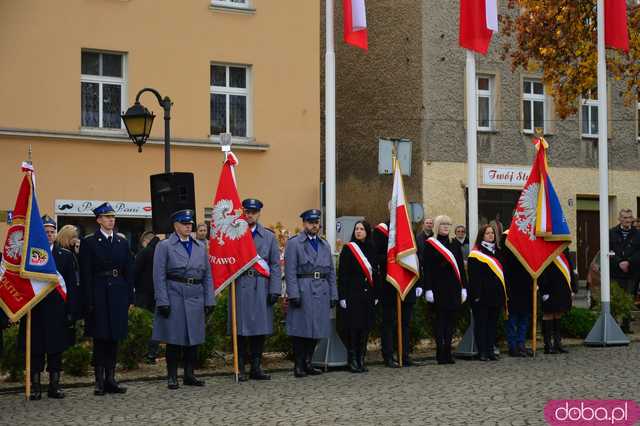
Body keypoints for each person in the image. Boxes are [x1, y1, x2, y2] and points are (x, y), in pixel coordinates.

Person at [152, 209, 215, 390]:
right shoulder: (164, 246)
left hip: (195, 294)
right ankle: (172, 376)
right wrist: (162, 300)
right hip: (175, 294)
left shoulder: (200, 246)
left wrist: (209, 299)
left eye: (190, 224)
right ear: (175, 226)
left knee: (193, 338)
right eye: (184, 223)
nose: (189, 226)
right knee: (174, 339)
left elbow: (208, 276)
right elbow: (159, 275)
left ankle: (189, 374)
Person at [18, 215, 78, 400]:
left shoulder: (65, 256)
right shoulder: (30, 257)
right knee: (35, 349)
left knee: (55, 350)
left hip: (57, 311)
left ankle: (54, 386)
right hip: (35, 310)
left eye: (52, 231)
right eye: (46, 232)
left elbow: (72, 286)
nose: (50, 234)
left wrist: (71, 311)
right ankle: (36, 387)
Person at [79, 202, 134, 396]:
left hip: (118, 293)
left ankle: (111, 378)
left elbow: (129, 270)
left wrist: (129, 297)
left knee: (114, 338)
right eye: (107, 217)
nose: (111, 220)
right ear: (99, 220)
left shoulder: (122, 242)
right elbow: (85, 273)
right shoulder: (89, 242)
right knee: (100, 338)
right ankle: (99, 380)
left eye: (113, 217)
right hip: (99, 293)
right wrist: (88, 300)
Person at [231, 199, 281, 381]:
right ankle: (241, 367)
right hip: (240, 285)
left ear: (259, 213)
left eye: (253, 212)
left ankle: (256, 367)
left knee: (260, 329)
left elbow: (275, 265)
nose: (250, 215)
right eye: (247, 211)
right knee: (241, 329)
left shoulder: (268, 237)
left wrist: (275, 289)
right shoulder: (235, 234)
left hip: (261, 285)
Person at [284, 209, 338, 378]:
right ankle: (298, 365)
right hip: (303, 288)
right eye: (310, 222)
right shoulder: (294, 243)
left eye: (316, 222)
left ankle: (309, 362)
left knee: (317, 329)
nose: (314, 225)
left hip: (321, 289)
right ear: (304, 224)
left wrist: (333, 294)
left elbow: (331, 272)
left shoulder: (324, 244)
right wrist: (293, 293)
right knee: (301, 329)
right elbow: (290, 270)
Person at [375, 219, 422, 368]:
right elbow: (376, 257)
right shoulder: (381, 231)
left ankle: (404, 355)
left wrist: (419, 282)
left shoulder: (408, 230)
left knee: (405, 323)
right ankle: (388, 356)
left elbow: (416, 257)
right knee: (388, 322)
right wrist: (393, 259)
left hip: (407, 283)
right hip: (389, 283)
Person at [422, 214, 467, 364]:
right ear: (437, 226)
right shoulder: (430, 244)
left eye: (448, 224)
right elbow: (426, 268)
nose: (446, 227)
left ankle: (448, 350)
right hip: (438, 288)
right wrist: (428, 289)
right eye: (443, 224)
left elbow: (460, 267)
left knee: (451, 321)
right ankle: (440, 351)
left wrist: (463, 288)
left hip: (453, 288)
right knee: (440, 321)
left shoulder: (455, 244)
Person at [338, 220, 377, 373]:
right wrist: (342, 296)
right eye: (356, 229)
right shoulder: (349, 249)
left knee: (365, 328)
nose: (358, 231)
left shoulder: (372, 248)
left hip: (368, 295)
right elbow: (343, 274)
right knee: (354, 328)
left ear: (367, 232)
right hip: (353, 294)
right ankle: (352, 359)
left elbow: (376, 273)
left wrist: (376, 294)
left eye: (361, 229)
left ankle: (361, 358)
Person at [467, 224, 506, 361]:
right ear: (482, 236)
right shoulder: (476, 254)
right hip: (481, 296)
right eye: (488, 233)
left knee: (492, 325)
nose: (491, 235)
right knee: (481, 325)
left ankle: (490, 350)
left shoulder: (498, 251)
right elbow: (474, 278)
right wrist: (476, 295)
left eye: (492, 233)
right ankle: (482, 351)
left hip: (496, 295)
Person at [502, 231, 534, 357]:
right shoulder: (507, 236)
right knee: (512, 319)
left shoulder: (527, 237)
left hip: (526, 285)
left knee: (524, 318)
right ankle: (513, 346)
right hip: (512, 285)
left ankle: (521, 345)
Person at [539, 248, 577, 354]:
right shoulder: (545, 248)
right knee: (548, 314)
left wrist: (573, 287)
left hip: (562, 287)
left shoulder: (564, 249)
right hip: (549, 287)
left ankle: (557, 343)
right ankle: (547, 344)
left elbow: (569, 268)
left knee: (558, 313)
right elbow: (542, 269)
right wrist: (543, 290)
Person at [609, 209, 640, 331]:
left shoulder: (638, 234)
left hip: (632, 272)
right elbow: (608, 250)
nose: (627, 220)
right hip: (616, 271)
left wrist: (629, 262)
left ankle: (626, 326)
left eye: (629, 217)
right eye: (625, 218)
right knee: (615, 298)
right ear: (619, 219)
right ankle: (614, 325)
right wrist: (619, 262)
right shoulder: (611, 233)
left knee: (629, 298)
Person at [133, 231, 160, 364]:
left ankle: (142, 353)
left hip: (143, 293)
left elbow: (135, 272)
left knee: (142, 324)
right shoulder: (161, 251)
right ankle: (152, 353)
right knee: (156, 324)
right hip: (158, 294)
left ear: (145, 241)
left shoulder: (144, 252)